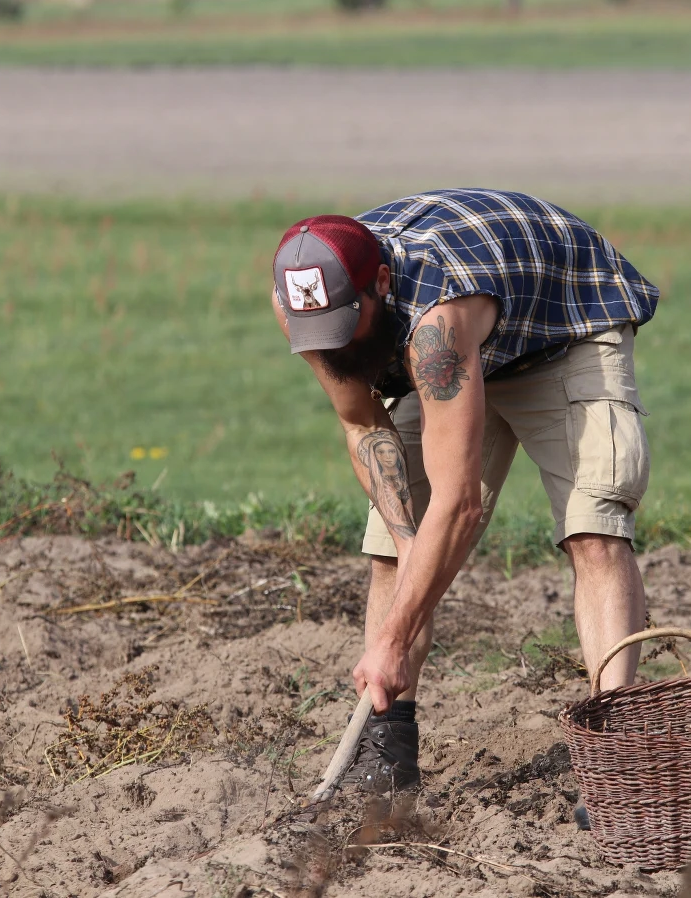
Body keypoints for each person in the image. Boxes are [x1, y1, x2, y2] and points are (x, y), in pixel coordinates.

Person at [269, 188, 660, 794]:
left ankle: (615, 754)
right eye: (321, 333)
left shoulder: (437, 323)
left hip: (561, 327)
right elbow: (362, 424)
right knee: (392, 554)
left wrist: (394, 640)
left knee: (593, 528)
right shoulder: (303, 306)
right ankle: (387, 751)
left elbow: (460, 505)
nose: (334, 344)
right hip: (464, 344)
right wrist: (409, 545)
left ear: (380, 283)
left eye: (345, 325)